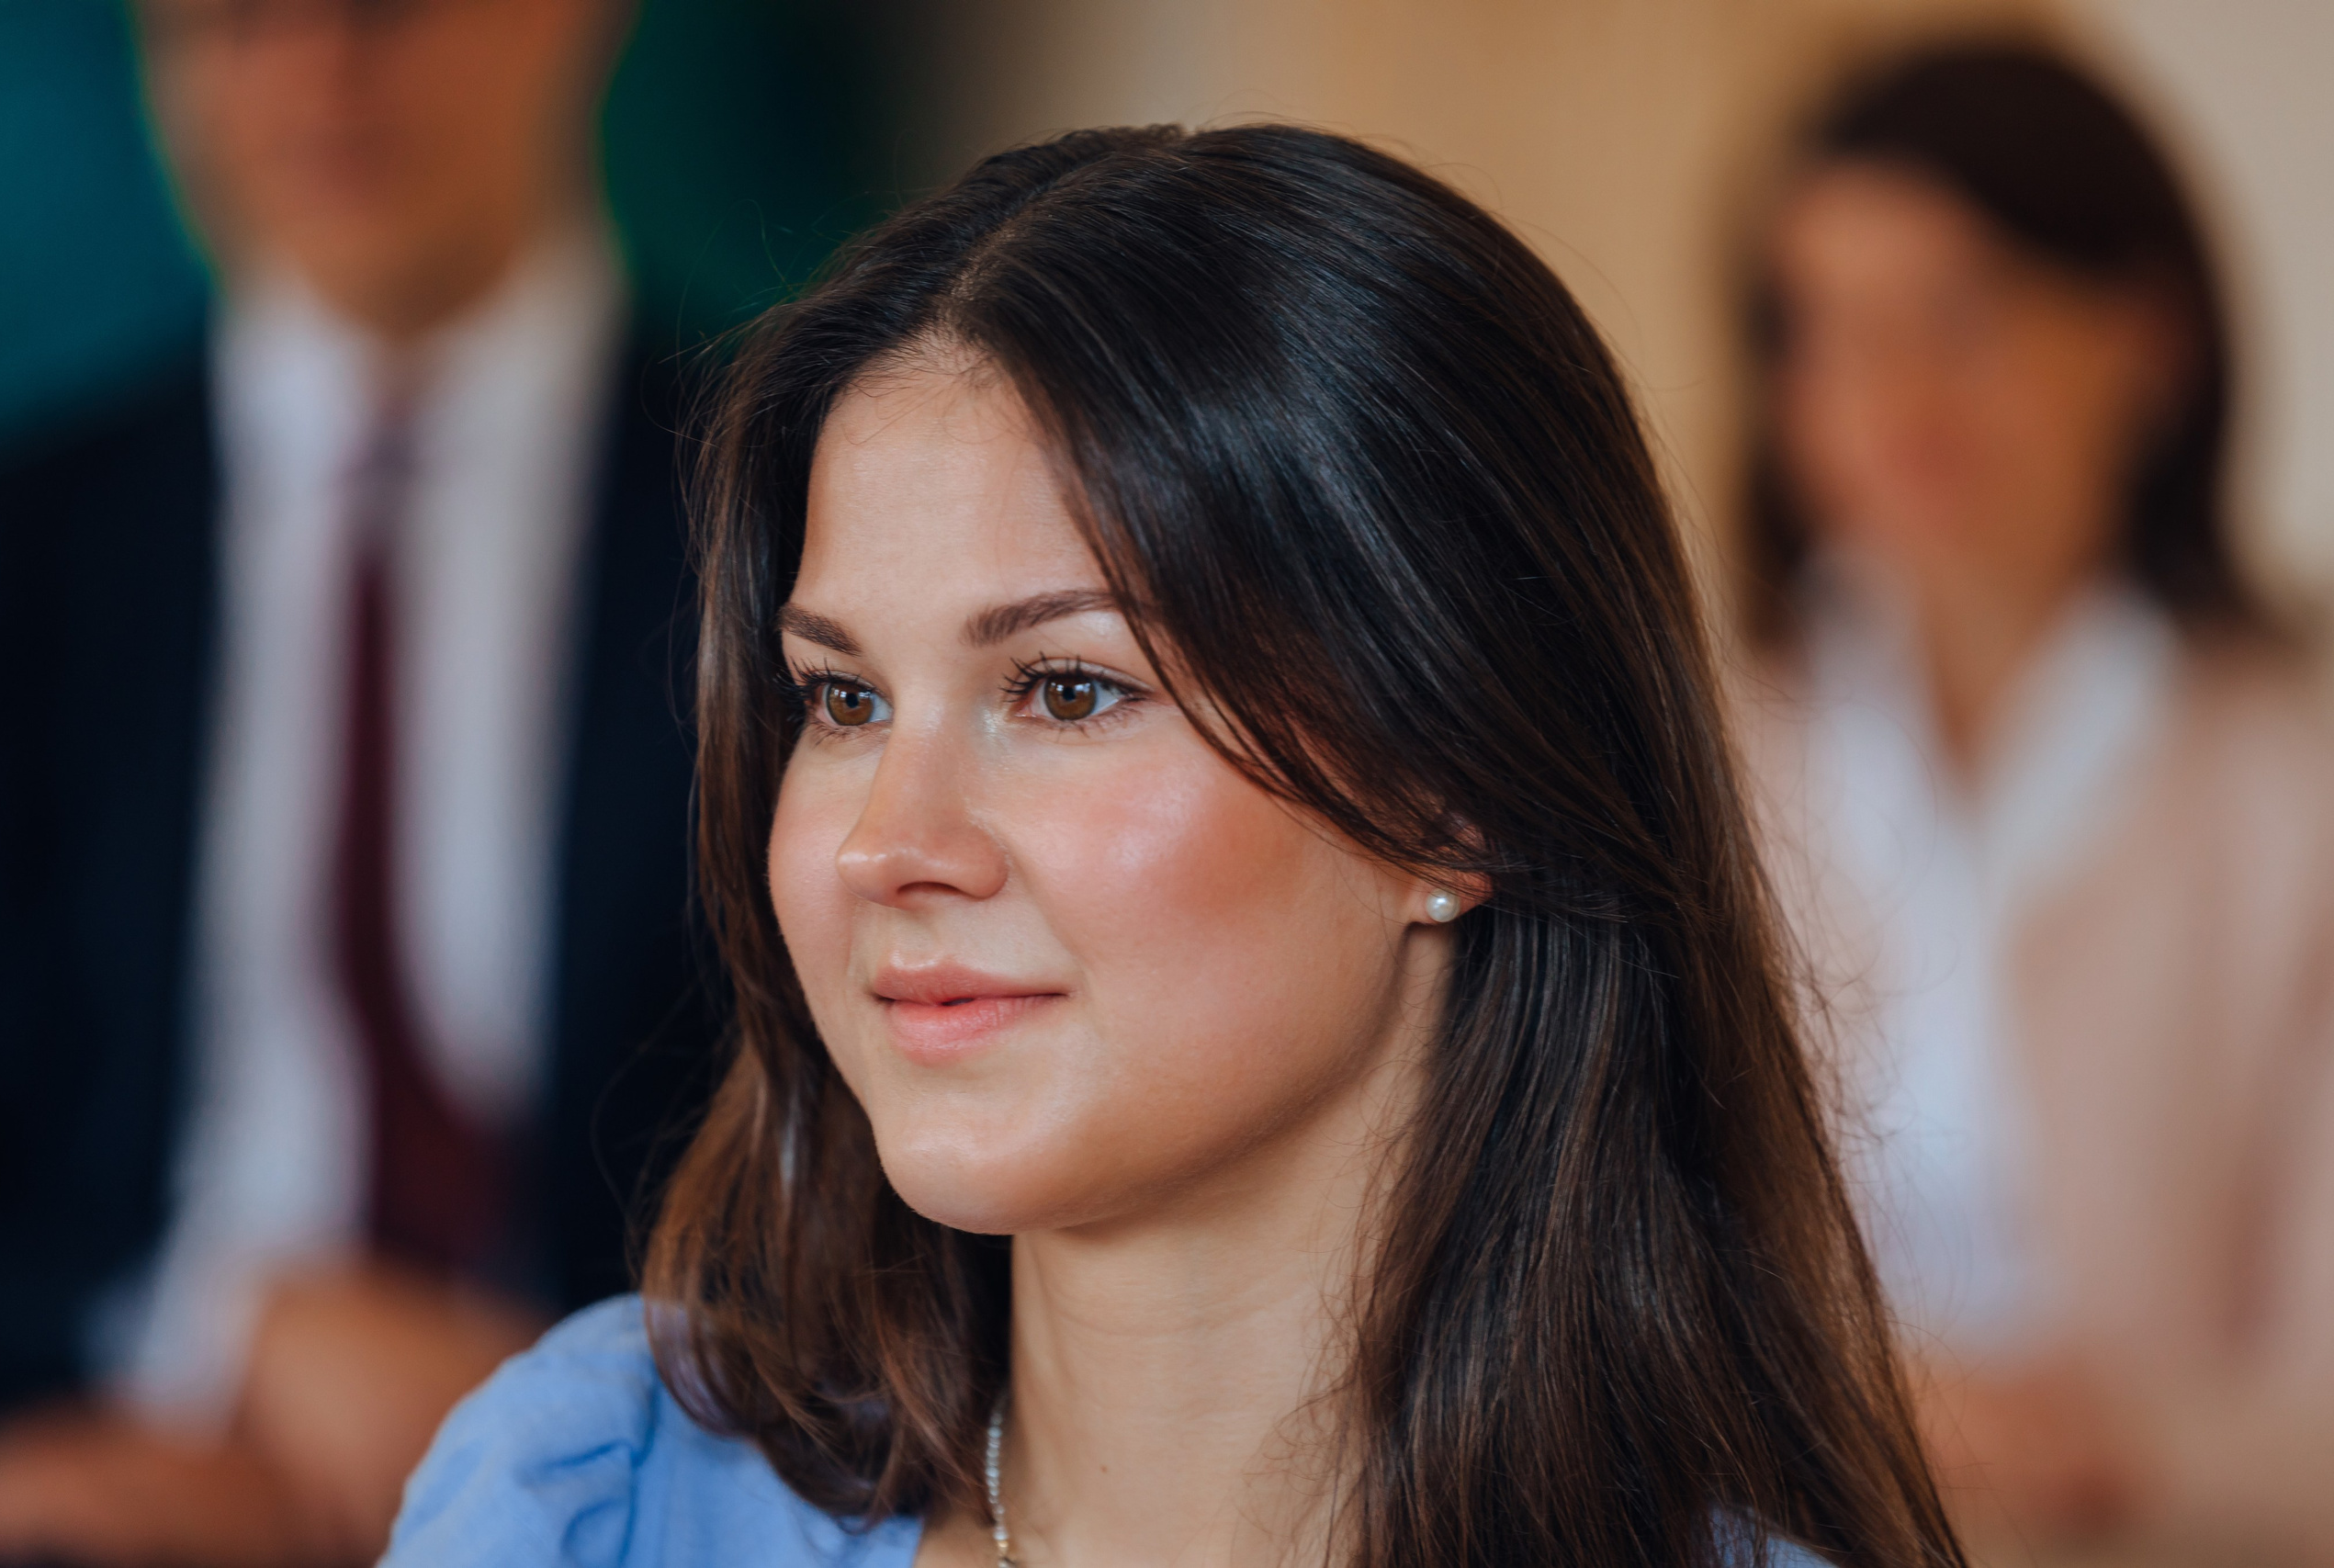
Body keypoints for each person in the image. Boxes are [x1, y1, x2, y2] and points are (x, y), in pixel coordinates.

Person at [379, 123, 1963, 1568]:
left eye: (1066, 690)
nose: (884, 846)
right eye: (844, 700)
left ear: (1455, 786)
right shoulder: (588, 1502)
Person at [0, 0, 717, 1560]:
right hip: (125, 1462)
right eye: (235, 21)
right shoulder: (25, 555)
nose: (316, 70)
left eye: (388, 7)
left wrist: (571, 1406)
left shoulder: (781, 507)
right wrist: (204, 1334)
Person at [1731, 41, 2334, 1561]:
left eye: (1963, 314)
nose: (1893, 395)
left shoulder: (2295, 786)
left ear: (2147, 337)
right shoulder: (1700, 744)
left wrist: (2100, 1441)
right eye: (1829, 330)